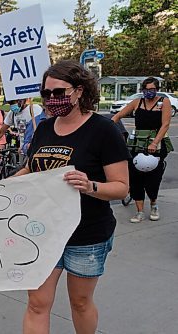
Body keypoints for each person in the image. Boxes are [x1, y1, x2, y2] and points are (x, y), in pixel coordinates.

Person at [14, 60, 129, 334]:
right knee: (37, 303)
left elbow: (122, 186)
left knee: (79, 302)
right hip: (43, 232)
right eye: (46, 94)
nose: (52, 100)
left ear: (79, 91)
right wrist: (2, 186)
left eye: (59, 92)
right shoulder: (44, 128)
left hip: (87, 235)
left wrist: (91, 186)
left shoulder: (104, 130)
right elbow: (32, 167)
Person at [112, 77, 173, 223]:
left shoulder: (163, 102)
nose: (149, 92)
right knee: (135, 176)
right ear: (142, 90)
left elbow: (165, 124)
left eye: (152, 89)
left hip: (156, 142)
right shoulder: (137, 102)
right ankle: (139, 211)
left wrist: (155, 142)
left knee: (153, 175)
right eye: (146, 90)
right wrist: (107, 127)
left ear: (156, 89)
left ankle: (153, 204)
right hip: (137, 142)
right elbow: (119, 115)